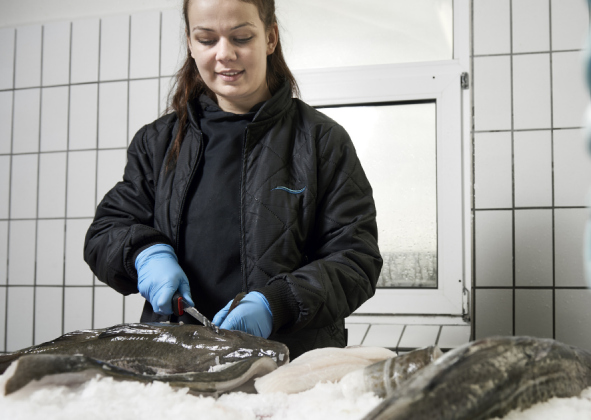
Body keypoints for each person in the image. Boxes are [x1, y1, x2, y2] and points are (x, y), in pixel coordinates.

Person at [84, 0, 381, 359]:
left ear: (270, 38)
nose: (224, 54)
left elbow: (355, 259)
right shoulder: (157, 142)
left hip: (288, 363)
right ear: (190, 44)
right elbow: (106, 231)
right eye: (207, 40)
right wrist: (144, 254)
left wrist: (276, 304)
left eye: (241, 37)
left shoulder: (320, 141)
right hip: (176, 362)